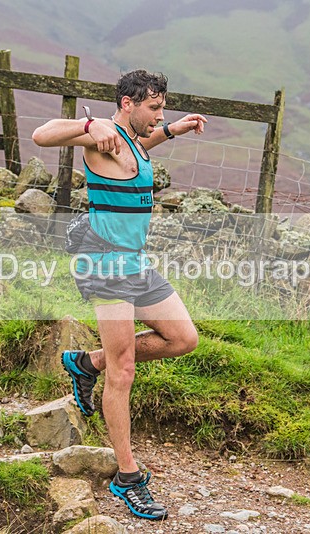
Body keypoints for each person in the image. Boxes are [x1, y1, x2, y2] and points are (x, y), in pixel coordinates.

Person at [32, 69, 207, 521]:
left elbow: (137, 150)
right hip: (105, 265)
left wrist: (171, 129)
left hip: (135, 262)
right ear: (127, 104)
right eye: (154, 107)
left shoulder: (130, 140)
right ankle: (127, 478)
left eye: (162, 108)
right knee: (124, 368)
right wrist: (91, 125)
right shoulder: (102, 136)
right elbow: (41, 134)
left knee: (184, 338)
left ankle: (86, 362)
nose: (159, 114)